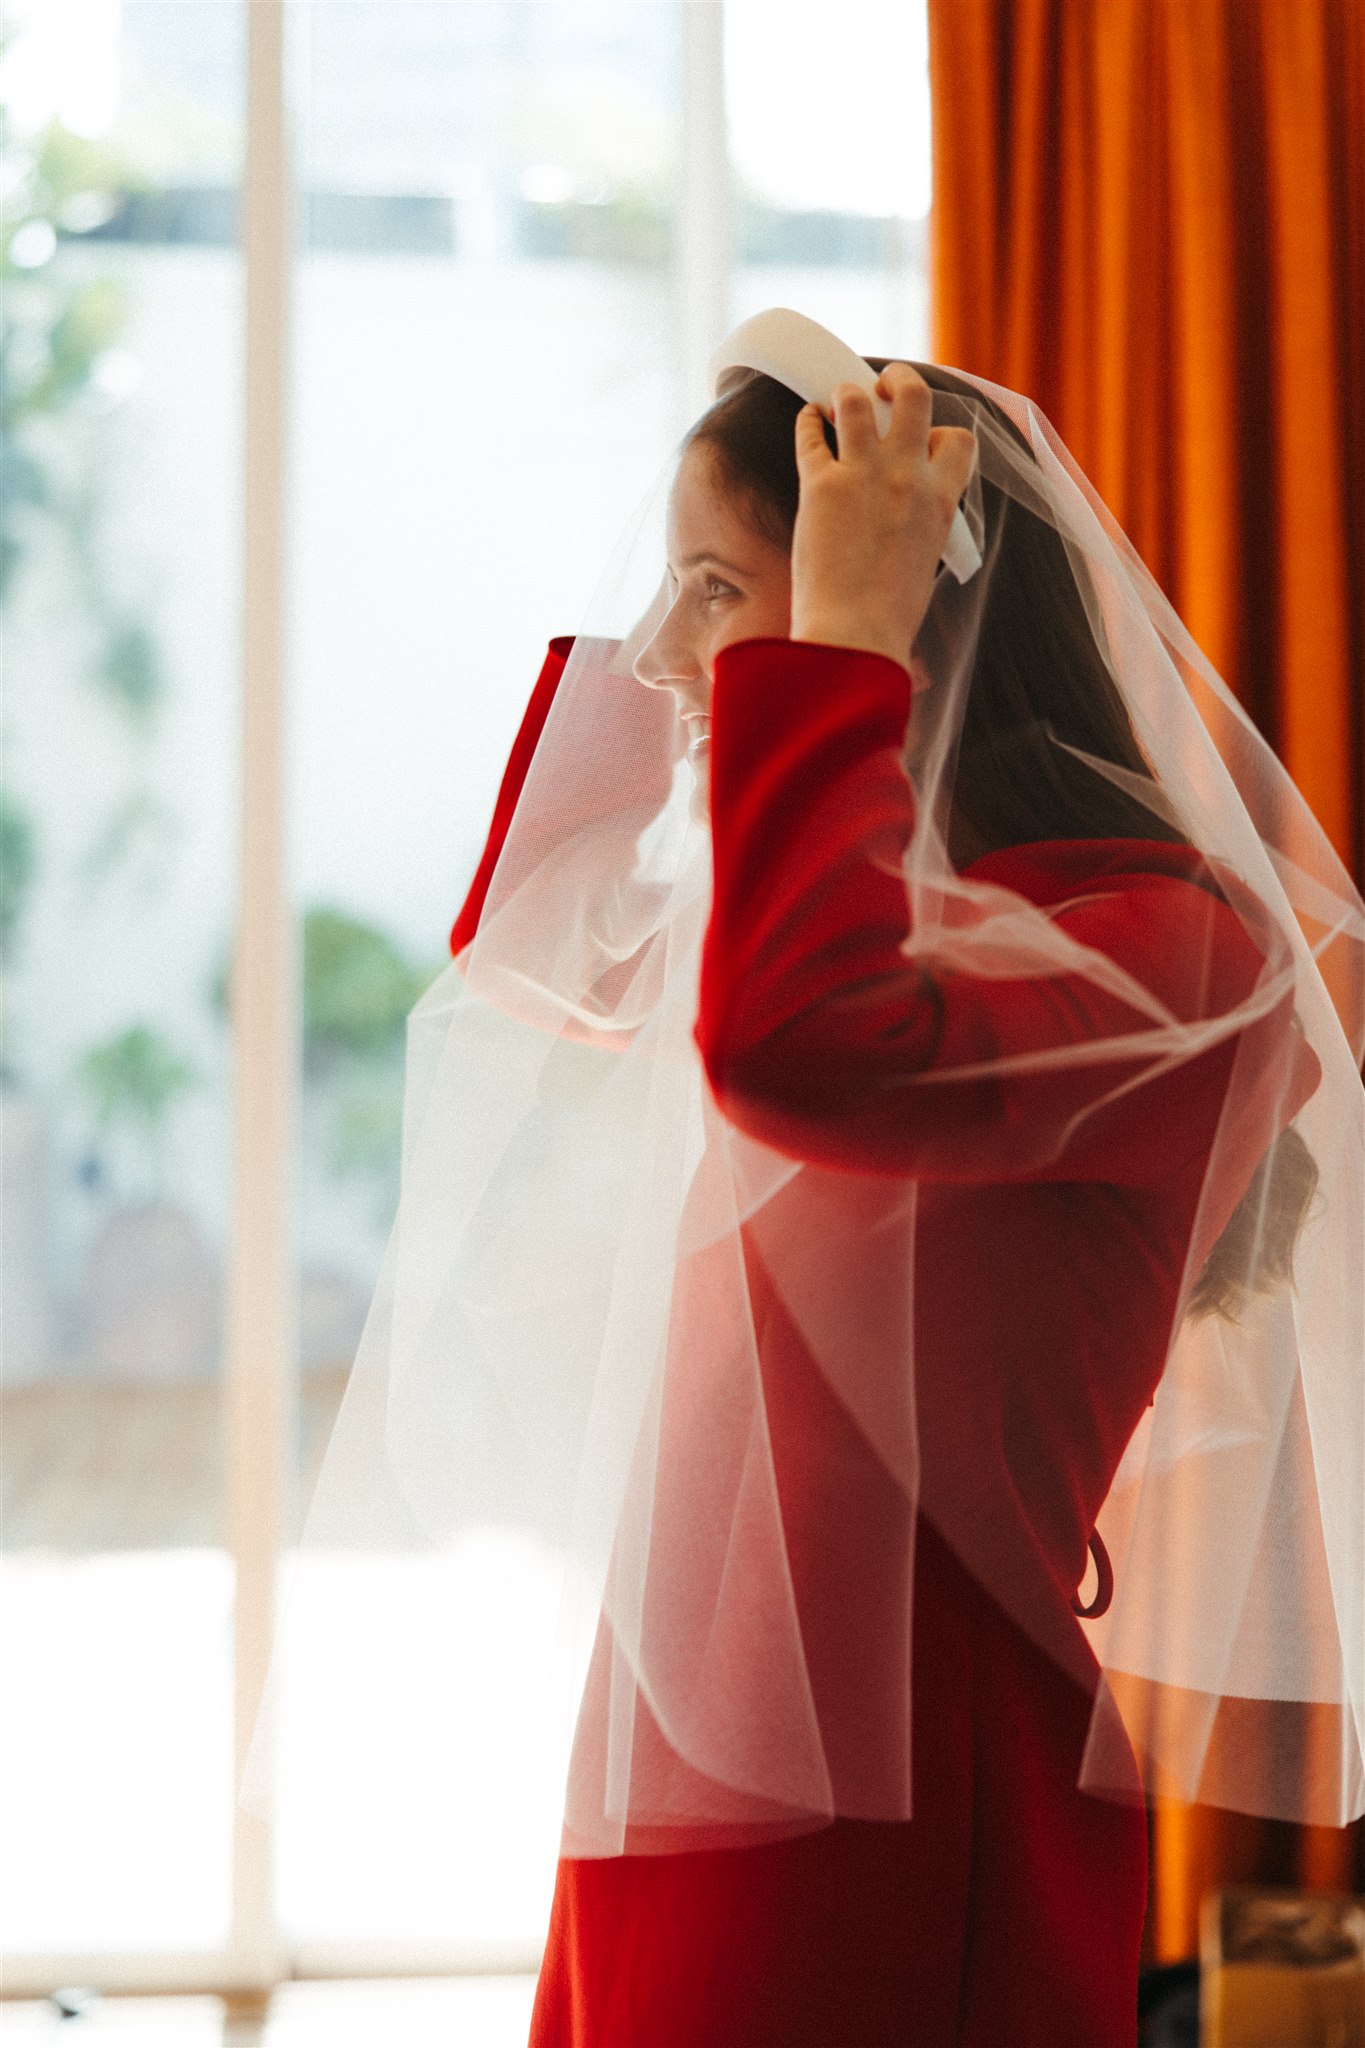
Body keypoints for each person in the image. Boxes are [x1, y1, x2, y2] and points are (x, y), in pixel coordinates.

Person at [254, 316, 1362, 2046]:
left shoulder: (1170, 952)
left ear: (908, 603)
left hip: (901, 1775)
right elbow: (527, 941)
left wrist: (840, 637)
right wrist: (724, 638)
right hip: (686, 1743)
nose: (670, 649)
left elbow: (800, 1049)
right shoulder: (839, 910)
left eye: (713, 587)